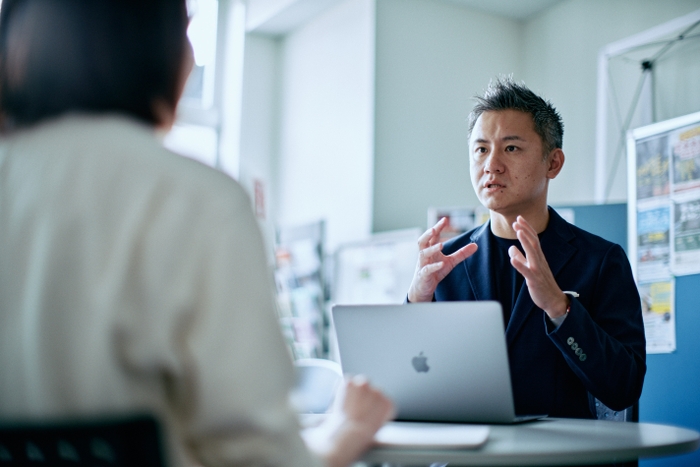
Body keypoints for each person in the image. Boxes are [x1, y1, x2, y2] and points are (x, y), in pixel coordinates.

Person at [0, 1, 394, 467]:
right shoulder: (197, 200)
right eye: (186, 34)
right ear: (151, 49)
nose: (191, 56)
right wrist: (341, 433)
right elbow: (260, 459)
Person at [407, 77, 646, 420]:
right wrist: (416, 300)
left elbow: (623, 387)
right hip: (469, 454)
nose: (491, 164)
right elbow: (411, 382)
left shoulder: (600, 260)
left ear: (553, 163)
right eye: (481, 149)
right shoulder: (446, 263)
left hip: (556, 457)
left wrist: (559, 308)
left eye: (511, 148)